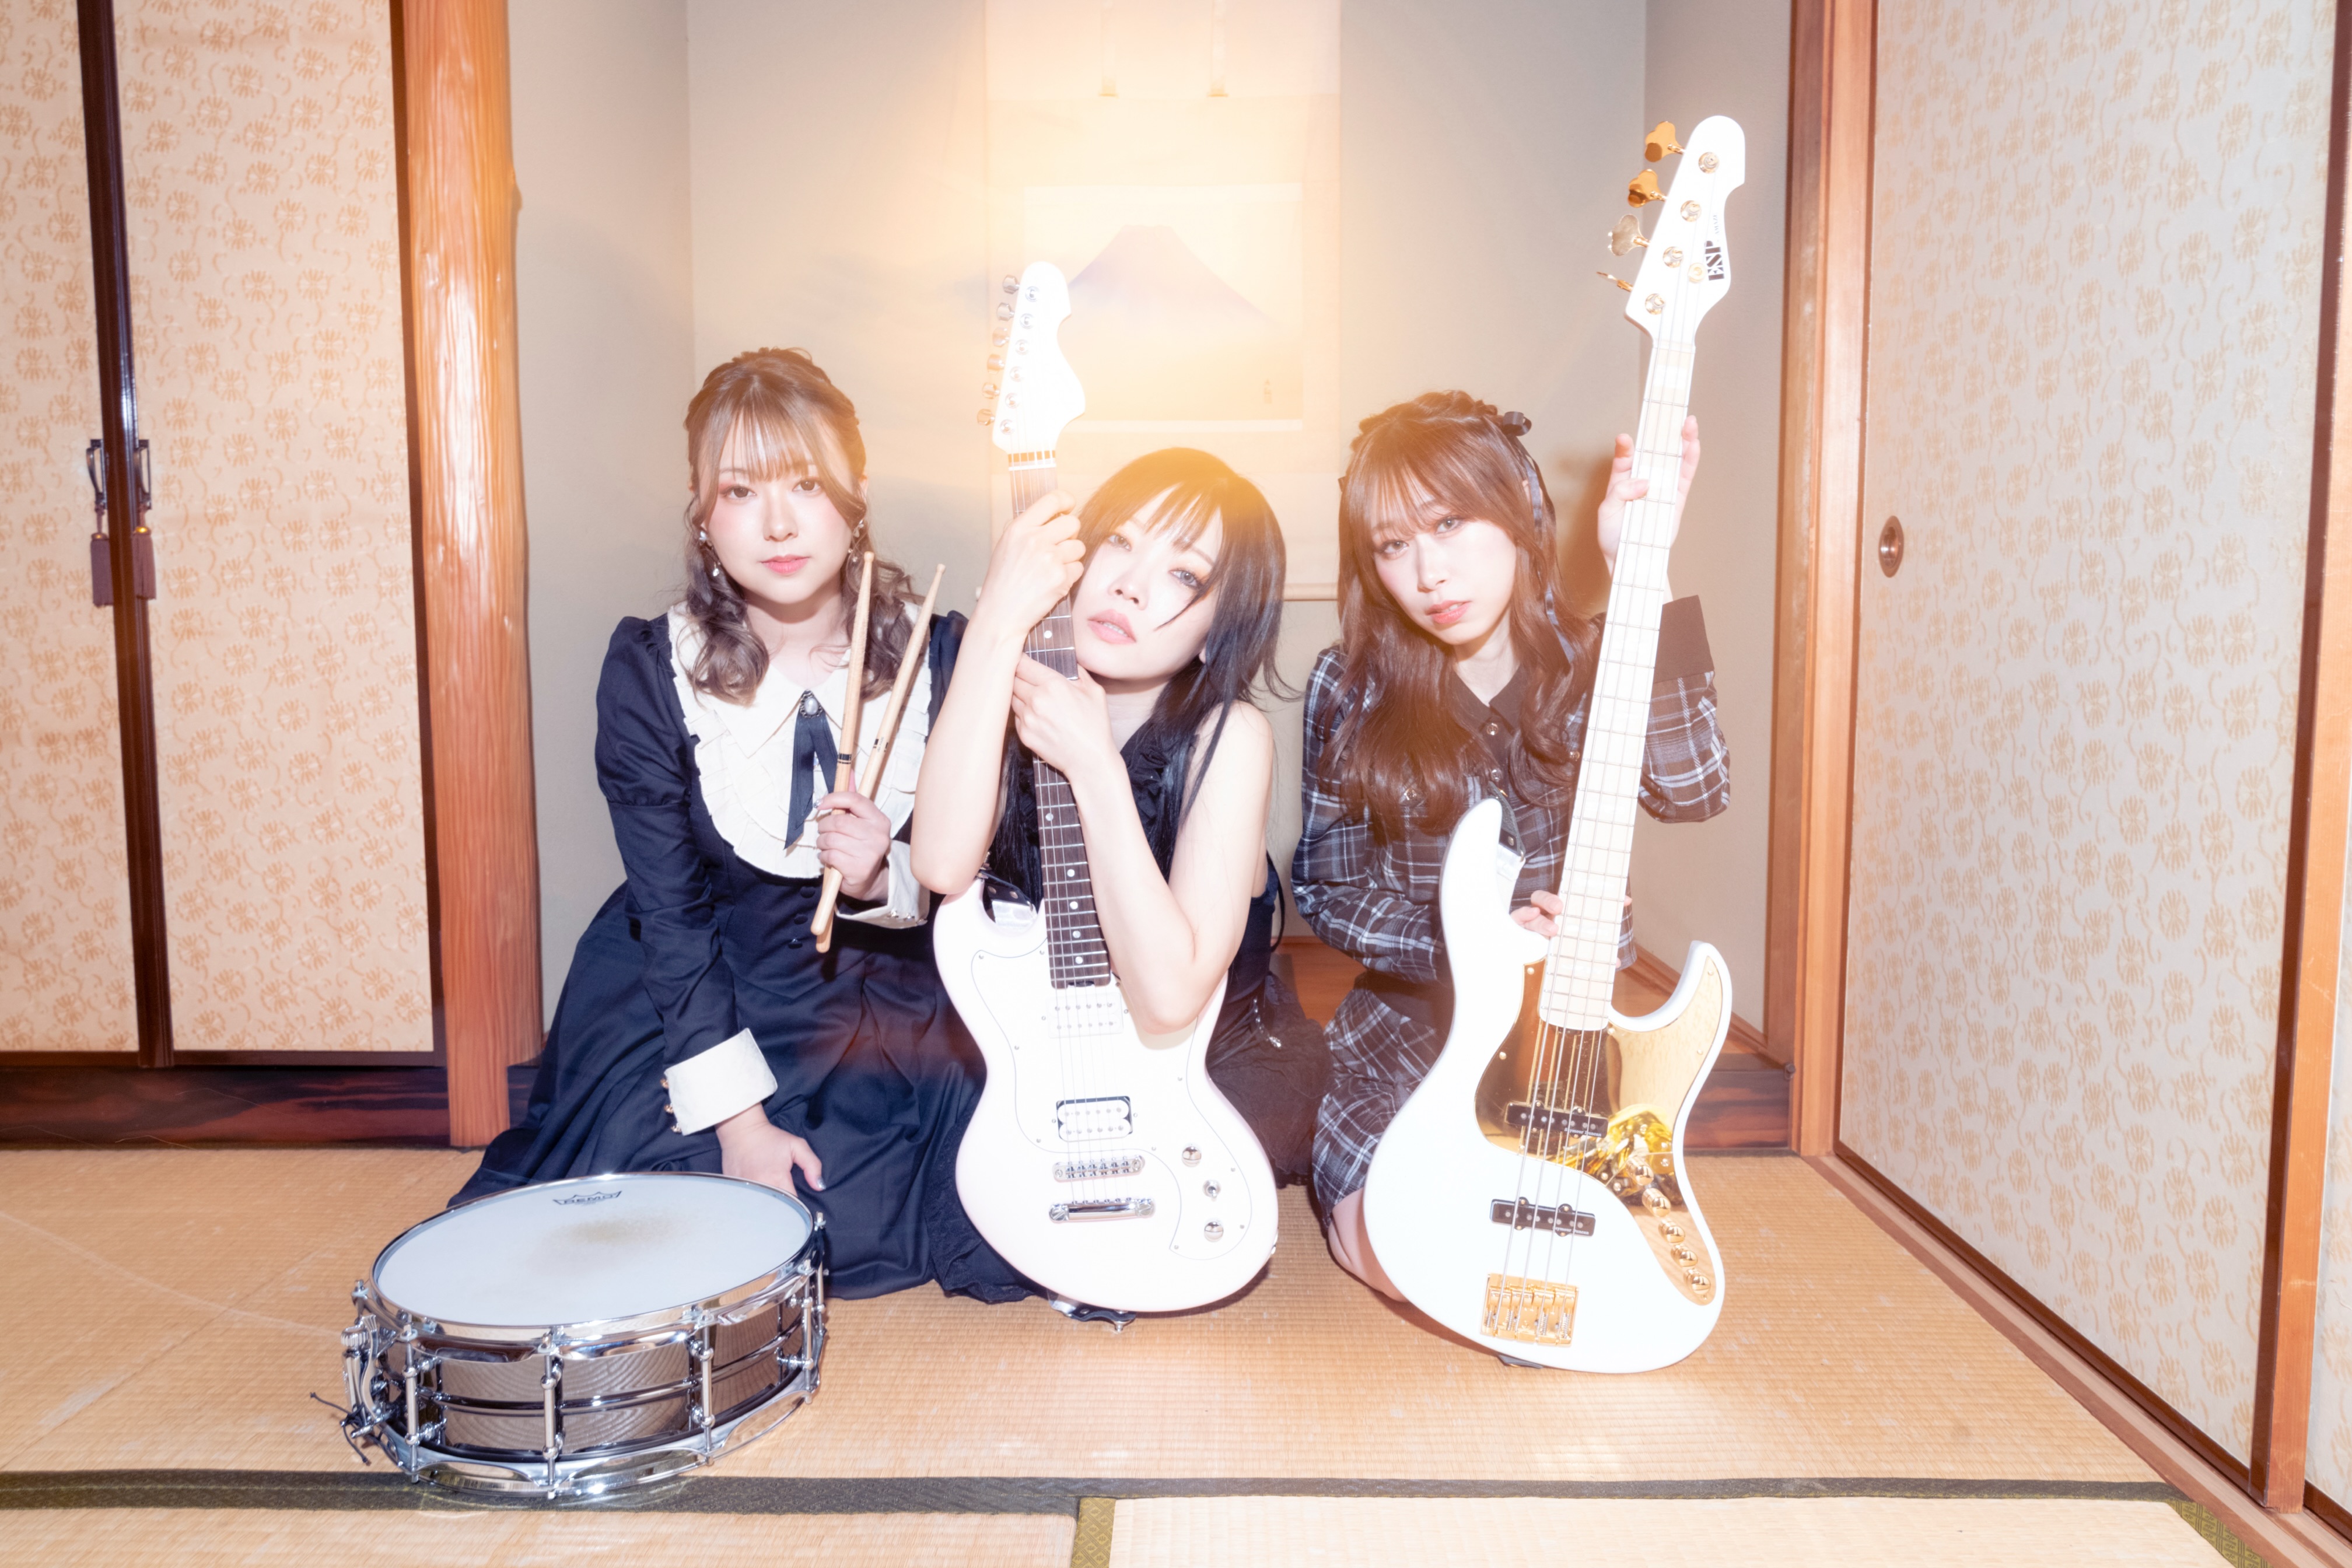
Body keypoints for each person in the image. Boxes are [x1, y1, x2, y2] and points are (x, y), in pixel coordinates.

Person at [454, 347, 1024, 1303]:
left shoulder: (946, 653)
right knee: (675, 1211)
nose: (778, 523)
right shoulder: (650, 670)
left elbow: (999, 874)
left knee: (903, 1198)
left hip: (890, 988)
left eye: (807, 483)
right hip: (703, 981)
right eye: (739, 490)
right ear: (702, 514)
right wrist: (741, 1127)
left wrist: (888, 879)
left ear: (856, 495)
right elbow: (672, 919)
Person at [1293, 392, 1729, 1298]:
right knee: (1400, 1261)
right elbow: (1326, 886)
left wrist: (1641, 567)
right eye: (1392, 545)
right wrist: (1470, 937)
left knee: (1581, 1275)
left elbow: (1695, 790)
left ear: (1522, 511)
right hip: (1409, 1039)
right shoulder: (1351, 683)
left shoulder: (1599, 660)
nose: (1428, 572)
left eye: (1450, 523)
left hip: (1562, 1054)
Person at [911, 447, 1327, 1195]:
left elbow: (1168, 1002)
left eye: (1185, 575)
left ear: (1219, 628)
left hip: (1199, 1072)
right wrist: (999, 619)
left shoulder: (1231, 735)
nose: (1130, 585)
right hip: (1038, 1054)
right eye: (1120, 542)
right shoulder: (1012, 689)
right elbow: (940, 865)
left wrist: (1094, 766)